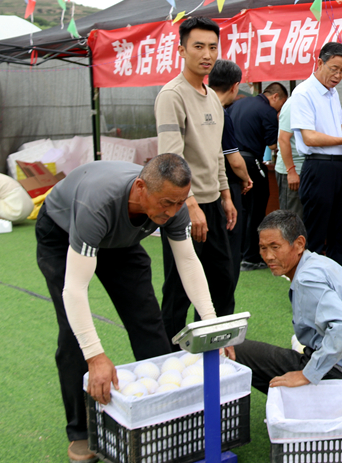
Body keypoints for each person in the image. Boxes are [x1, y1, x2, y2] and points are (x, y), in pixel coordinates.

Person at [35, 154, 218, 463]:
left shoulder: (173, 205)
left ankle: (165, 413)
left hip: (120, 241)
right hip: (62, 231)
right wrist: (95, 356)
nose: (173, 211)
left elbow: (188, 262)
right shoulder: (97, 205)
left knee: (147, 318)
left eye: (179, 203)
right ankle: (81, 431)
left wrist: (211, 324)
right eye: (166, 203)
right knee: (73, 333)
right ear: (140, 188)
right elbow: (75, 289)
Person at [155, 16, 238, 349]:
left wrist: (225, 195)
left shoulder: (213, 98)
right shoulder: (172, 95)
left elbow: (216, 152)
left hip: (213, 203)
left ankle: (213, 348)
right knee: (179, 289)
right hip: (182, 207)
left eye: (213, 47)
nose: (207, 54)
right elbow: (171, 159)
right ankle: (168, 356)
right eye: (198, 46)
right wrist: (189, 204)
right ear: (182, 50)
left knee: (223, 280)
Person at [233, 210, 342, 391]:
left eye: (275, 247)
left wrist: (307, 374)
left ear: (299, 244)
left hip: (341, 372)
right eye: (263, 248)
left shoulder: (306, 279)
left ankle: (305, 400)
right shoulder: (318, 262)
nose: (268, 256)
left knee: (234, 350)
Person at [291, 42, 342, 267]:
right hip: (318, 166)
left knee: (341, 228)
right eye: (334, 69)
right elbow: (310, 138)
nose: (338, 76)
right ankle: (306, 279)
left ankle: (336, 277)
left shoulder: (332, 93)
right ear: (319, 63)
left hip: (340, 166)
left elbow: (339, 129)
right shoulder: (303, 92)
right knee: (315, 230)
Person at [227, 81, 289, 270]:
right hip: (250, 161)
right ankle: (251, 257)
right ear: (275, 96)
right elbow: (273, 144)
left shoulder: (236, 104)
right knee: (256, 207)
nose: (279, 110)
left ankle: (237, 253)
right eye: (281, 105)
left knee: (239, 209)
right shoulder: (267, 110)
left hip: (230, 160)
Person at [208, 59, 253, 283]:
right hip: (224, 187)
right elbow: (234, 160)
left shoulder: (200, 107)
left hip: (199, 190)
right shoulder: (220, 113)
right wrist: (246, 178)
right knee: (228, 247)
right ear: (235, 86)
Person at [275, 95, 305, 218]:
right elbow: (283, 139)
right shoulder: (293, 103)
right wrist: (291, 171)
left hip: (308, 168)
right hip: (293, 170)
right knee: (291, 218)